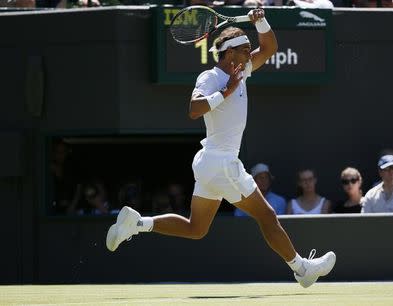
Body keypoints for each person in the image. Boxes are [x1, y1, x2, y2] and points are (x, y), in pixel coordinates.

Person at [106, 8, 335, 288]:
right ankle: (302, 270)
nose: (251, 53)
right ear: (229, 53)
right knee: (267, 215)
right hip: (221, 163)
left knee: (196, 228)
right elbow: (194, 109)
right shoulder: (210, 77)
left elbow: (270, 46)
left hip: (211, 165)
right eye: (245, 49)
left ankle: (138, 224)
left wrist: (260, 20)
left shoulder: (243, 69)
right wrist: (226, 91)